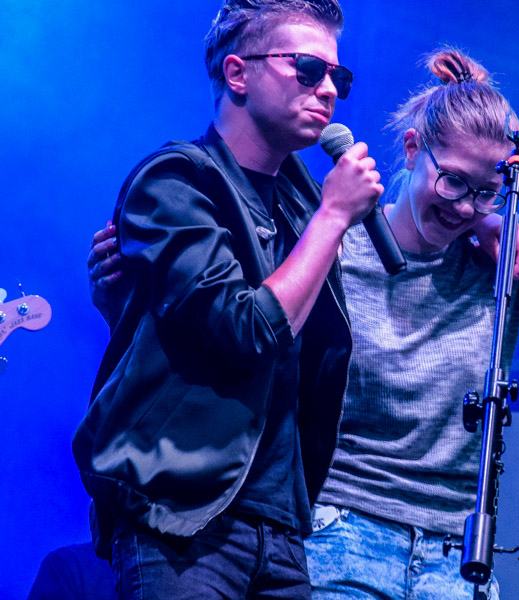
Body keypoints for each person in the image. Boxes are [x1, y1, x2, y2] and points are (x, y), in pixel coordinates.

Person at [88, 48, 519, 598]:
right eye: (453, 181)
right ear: (412, 149)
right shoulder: (329, 243)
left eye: (486, 193)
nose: (464, 207)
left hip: (456, 557)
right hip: (338, 535)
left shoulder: (505, 261)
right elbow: (231, 328)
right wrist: (123, 303)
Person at [73, 1, 383, 598]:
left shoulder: (304, 200)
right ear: (238, 73)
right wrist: (334, 216)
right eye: (308, 69)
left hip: (283, 528)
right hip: (183, 520)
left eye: (337, 77)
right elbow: (245, 330)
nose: (328, 90)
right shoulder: (174, 181)